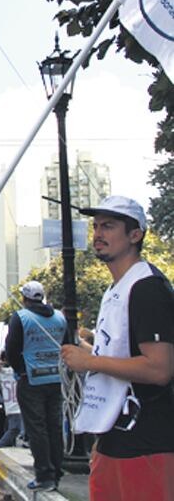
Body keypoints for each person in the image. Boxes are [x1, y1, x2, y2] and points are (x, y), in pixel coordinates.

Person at [61, 196, 174, 501]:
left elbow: (159, 368)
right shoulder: (117, 287)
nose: (97, 234)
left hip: (147, 444)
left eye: (108, 226)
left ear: (135, 235)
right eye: (95, 226)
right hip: (115, 440)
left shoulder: (147, 287)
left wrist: (89, 361)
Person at [4, 280, 67, 490]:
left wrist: (20, 369)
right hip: (55, 378)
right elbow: (67, 344)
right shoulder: (59, 317)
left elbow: (12, 348)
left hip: (31, 379)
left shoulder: (21, 318)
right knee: (54, 426)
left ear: (24, 298)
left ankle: (44, 475)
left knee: (36, 427)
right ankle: (56, 471)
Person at [0, 353, 22, 448]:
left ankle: (2, 446)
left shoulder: (2, 371)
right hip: (14, 404)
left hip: (10, 403)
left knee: (13, 428)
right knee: (15, 428)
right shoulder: (12, 371)